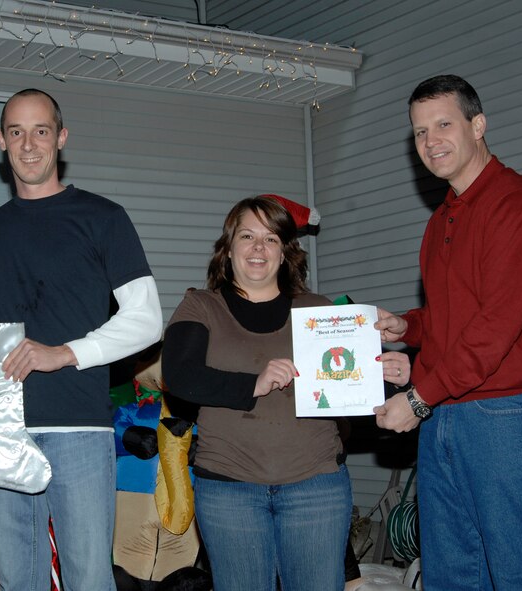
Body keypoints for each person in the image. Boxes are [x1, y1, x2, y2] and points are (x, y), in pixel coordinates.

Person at [0, 88, 162, 591]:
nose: (29, 144)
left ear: (61, 137)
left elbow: (146, 319)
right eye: (16, 132)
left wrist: (63, 354)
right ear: (1, 140)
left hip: (80, 426)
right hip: (2, 426)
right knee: (19, 579)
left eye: (41, 131)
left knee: (88, 579)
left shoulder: (103, 217)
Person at [374, 75, 522, 590]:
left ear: (477, 125)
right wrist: (409, 325)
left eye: (443, 125)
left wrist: (418, 400)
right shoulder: (441, 220)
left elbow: (495, 328)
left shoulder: (516, 205)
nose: (430, 141)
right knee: (451, 574)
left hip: (507, 416)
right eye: (420, 132)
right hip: (447, 412)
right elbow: (455, 316)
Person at [161, 195, 410, 591]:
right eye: (247, 236)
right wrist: (253, 383)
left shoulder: (320, 312)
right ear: (228, 249)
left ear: (284, 253)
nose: (258, 247)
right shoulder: (200, 306)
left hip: (316, 487)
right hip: (228, 489)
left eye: (271, 238)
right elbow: (180, 376)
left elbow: (353, 388)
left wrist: (391, 379)